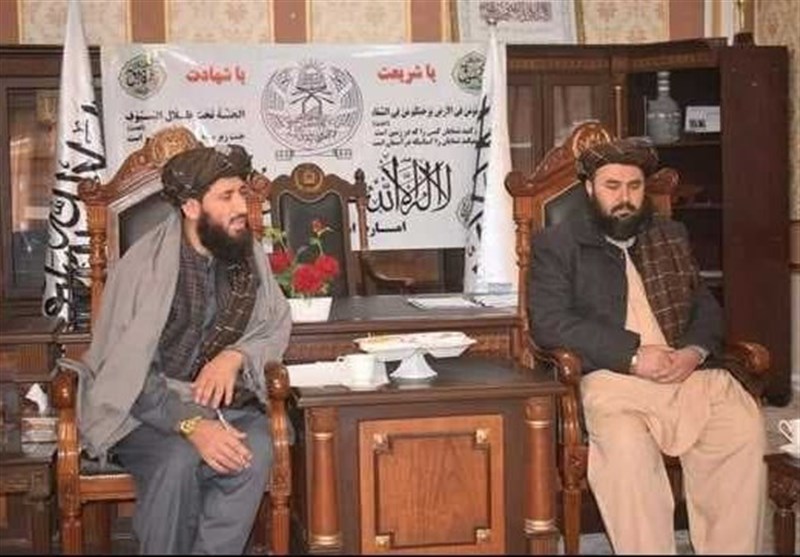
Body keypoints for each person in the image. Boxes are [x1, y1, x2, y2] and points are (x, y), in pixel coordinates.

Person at [529, 138, 766, 554]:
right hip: (613, 378)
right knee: (626, 449)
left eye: (634, 186)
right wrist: (633, 356)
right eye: (612, 186)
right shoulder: (559, 244)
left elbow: (705, 307)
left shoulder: (669, 236)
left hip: (684, 373)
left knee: (740, 425)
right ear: (590, 188)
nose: (624, 197)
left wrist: (694, 352)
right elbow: (551, 323)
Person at [74, 144, 291, 554]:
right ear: (191, 207)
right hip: (143, 412)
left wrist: (235, 357)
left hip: (227, 405)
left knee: (256, 450)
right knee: (177, 461)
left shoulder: (247, 256)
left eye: (242, 193)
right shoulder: (143, 268)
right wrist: (191, 424)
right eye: (226, 197)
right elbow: (128, 371)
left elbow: (274, 324)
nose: (241, 207)